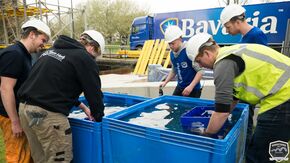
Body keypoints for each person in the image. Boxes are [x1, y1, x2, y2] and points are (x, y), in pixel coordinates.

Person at [186, 33, 290, 163]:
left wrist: (207, 135)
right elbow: (232, 99)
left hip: (284, 96)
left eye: (199, 61)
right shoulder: (230, 53)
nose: (200, 66)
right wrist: (221, 115)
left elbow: (222, 111)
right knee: (267, 148)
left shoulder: (223, 65)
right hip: (283, 95)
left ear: (207, 53)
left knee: (258, 154)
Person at [17, 30, 105, 162]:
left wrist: (82, 107)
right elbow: (94, 93)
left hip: (25, 110)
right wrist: (98, 117)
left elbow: (55, 86)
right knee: (60, 159)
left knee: (41, 159)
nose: (94, 59)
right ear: (92, 47)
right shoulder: (84, 58)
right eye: (95, 56)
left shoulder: (52, 51)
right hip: (47, 115)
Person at [0, 19, 51, 163]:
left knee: (27, 154)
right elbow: (5, 88)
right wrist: (15, 121)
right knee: (16, 156)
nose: (43, 44)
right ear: (32, 34)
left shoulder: (24, 54)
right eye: (43, 39)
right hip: (10, 115)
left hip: (20, 113)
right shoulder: (14, 54)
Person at [220, 4, 268, 152]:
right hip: (245, 87)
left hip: (252, 88)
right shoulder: (245, 37)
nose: (227, 31)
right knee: (242, 119)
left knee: (246, 120)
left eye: (228, 27)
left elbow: (262, 64)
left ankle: (245, 152)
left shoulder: (256, 35)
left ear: (237, 21)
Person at [160, 26, 203, 98]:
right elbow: (174, 70)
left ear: (180, 38)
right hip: (180, 87)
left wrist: (190, 87)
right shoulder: (172, 54)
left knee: (189, 109)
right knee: (173, 106)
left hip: (193, 89)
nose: (171, 46)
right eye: (169, 44)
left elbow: (200, 71)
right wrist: (165, 82)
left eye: (173, 43)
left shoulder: (188, 51)